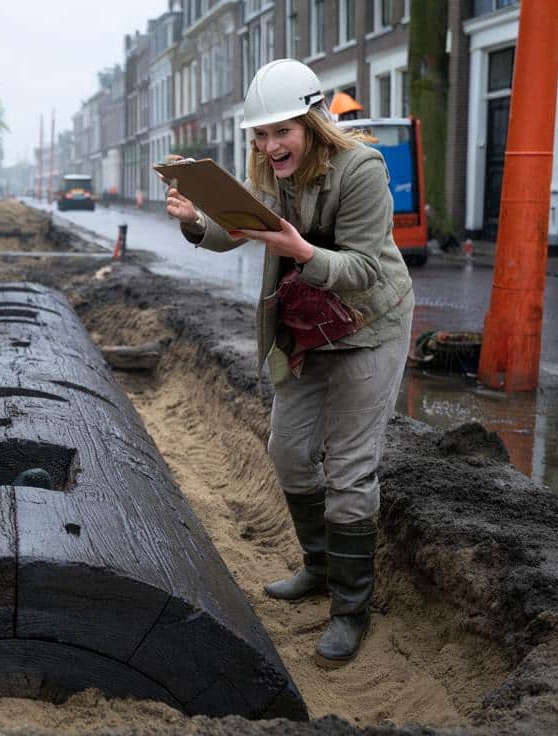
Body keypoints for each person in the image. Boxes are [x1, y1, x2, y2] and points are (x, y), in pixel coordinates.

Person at [165, 59, 413, 664]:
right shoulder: (271, 175)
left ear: (311, 123)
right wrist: (197, 220)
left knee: (350, 474)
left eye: (282, 131)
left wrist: (300, 249)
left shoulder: (362, 170)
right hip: (306, 329)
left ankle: (351, 610)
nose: (270, 144)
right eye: (260, 134)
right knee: (290, 450)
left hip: (367, 326)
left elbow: (365, 270)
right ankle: (321, 568)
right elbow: (239, 227)